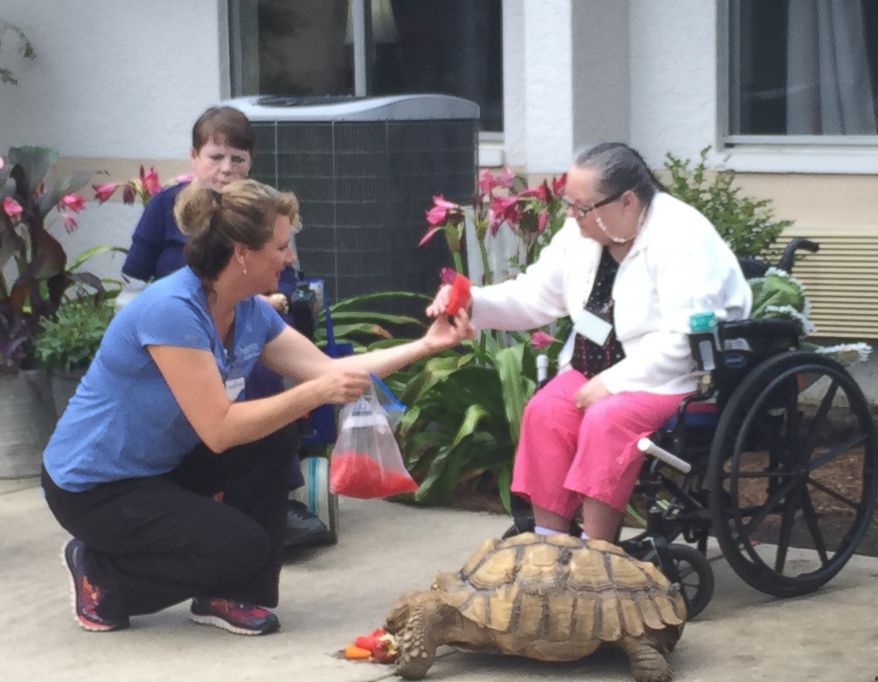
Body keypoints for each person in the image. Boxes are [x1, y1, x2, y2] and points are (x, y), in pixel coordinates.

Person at [43, 179, 473, 635]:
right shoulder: (171, 309)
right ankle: (100, 574)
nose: (289, 258)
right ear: (242, 253)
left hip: (159, 466)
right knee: (240, 547)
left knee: (274, 435)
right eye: (281, 246)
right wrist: (311, 395)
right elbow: (220, 430)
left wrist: (429, 344)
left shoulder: (248, 310)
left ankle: (228, 595)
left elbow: (327, 371)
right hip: (94, 486)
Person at [428, 142, 751, 541]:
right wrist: (472, 302)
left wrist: (614, 382)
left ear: (627, 202)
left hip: (673, 376)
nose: (570, 214)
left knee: (606, 419)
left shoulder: (683, 237)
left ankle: (594, 552)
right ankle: (549, 540)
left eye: (581, 207)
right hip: (594, 365)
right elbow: (535, 297)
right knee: (544, 411)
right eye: (568, 203)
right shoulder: (582, 231)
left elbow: (685, 338)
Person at [121, 105, 324, 547]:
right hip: (177, 329)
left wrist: (269, 300)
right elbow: (135, 279)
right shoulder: (164, 207)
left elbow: (288, 275)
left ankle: (275, 497)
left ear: (251, 161)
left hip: (250, 316)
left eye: (238, 158)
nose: (226, 169)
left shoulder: (265, 209)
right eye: (216, 157)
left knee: (264, 375)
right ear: (194, 156)